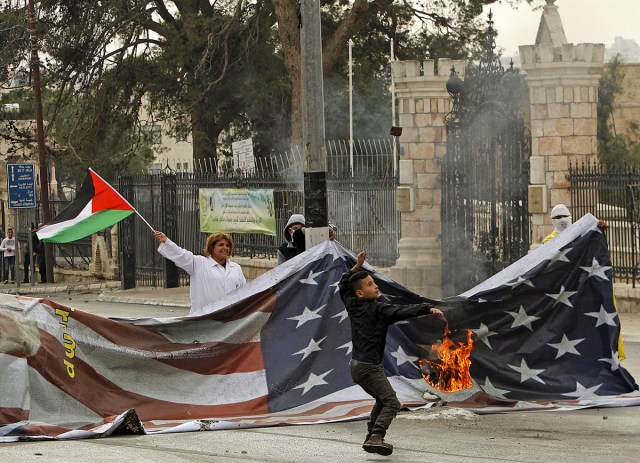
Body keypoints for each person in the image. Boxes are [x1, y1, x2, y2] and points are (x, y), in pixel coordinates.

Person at [339, 250, 444, 456]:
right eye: (370, 284)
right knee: (392, 402)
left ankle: (372, 437)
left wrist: (357, 266)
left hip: (357, 367)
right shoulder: (379, 310)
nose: (375, 285)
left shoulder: (352, 304)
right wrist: (427, 308)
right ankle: (377, 436)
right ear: (360, 293)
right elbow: (402, 311)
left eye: (373, 282)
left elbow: (343, 284)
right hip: (369, 368)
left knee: (381, 399)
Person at [152, 230, 246, 315]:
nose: (225, 248)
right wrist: (166, 241)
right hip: (203, 318)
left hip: (229, 318)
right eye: (221, 245)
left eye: (227, 245)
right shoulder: (198, 263)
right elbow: (181, 254)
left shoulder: (236, 268)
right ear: (212, 247)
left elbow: (244, 292)